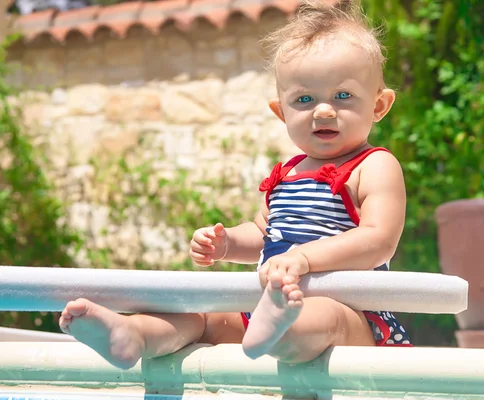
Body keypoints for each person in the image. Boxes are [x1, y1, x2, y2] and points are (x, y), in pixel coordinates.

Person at [58, 0, 411, 369]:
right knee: (205, 317)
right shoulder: (288, 174)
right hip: (266, 305)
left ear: (378, 105)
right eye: (304, 99)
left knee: (325, 317)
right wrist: (227, 243)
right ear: (282, 112)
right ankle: (136, 335)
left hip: (348, 311)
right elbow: (265, 233)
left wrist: (304, 259)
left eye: (343, 96)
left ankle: (281, 327)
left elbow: (377, 241)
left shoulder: (373, 165)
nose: (323, 111)